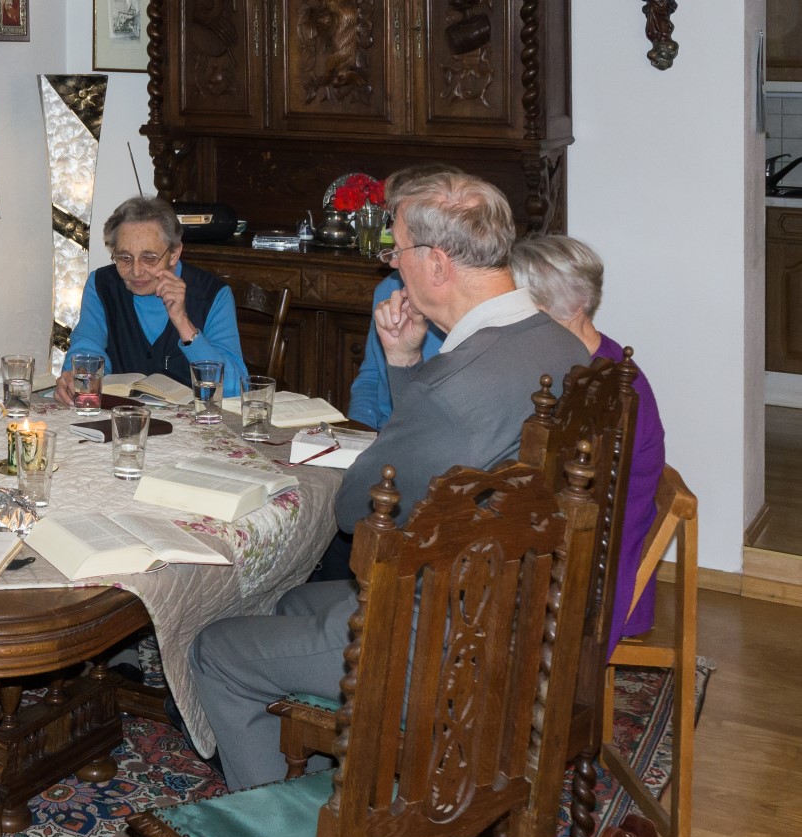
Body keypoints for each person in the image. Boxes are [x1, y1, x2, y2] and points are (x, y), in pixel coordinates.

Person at [188, 173, 591, 790]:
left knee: (215, 649)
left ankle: (281, 820)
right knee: (293, 603)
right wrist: (404, 363)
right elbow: (448, 457)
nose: (392, 265)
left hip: (446, 639)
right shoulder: (561, 347)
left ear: (437, 264)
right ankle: (320, 769)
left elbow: (359, 510)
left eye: (396, 251)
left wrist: (403, 409)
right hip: (522, 613)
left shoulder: (458, 383)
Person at [512, 234, 667, 655]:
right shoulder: (577, 365)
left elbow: (583, 496)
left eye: (529, 303)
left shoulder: (610, 384)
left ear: (573, 307)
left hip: (600, 548)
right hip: (579, 523)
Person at [58, 196, 244, 402]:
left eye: (149, 258)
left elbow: (234, 388)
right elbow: (87, 345)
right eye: (125, 258)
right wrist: (79, 375)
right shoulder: (102, 285)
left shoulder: (212, 294)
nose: (137, 271)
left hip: (192, 418)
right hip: (120, 413)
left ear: (174, 254)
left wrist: (183, 324)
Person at [344, 165, 462, 430]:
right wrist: (359, 430)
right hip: (387, 430)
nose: (390, 230)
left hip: (428, 432)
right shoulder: (387, 289)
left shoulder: (457, 305)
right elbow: (371, 377)